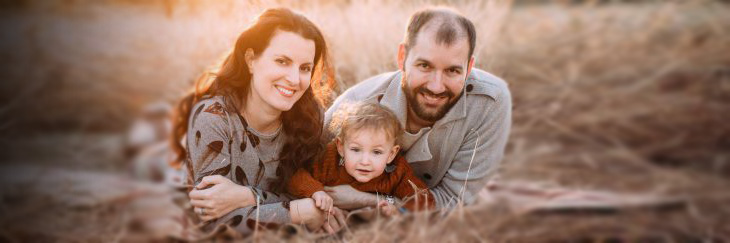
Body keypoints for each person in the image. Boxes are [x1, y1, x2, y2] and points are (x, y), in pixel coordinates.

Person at [169, 8, 346, 235]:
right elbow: (214, 220)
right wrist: (298, 212)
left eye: (305, 68)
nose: (294, 79)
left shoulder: (310, 119)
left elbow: (316, 192)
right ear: (251, 60)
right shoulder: (214, 118)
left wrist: (247, 196)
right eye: (282, 61)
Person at [323, 7, 512, 211]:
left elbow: (453, 199)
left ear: (469, 67)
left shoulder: (489, 102)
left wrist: (369, 201)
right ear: (402, 56)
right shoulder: (357, 104)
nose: (436, 86)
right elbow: (298, 168)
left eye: (452, 70)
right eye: (425, 66)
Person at [287, 102, 434, 216]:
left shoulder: (397, 172)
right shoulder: (330, 160)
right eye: (356, 150)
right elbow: (296, 177)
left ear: (391, 154)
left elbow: (424, 200)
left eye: (376, 152)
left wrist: (397, 210)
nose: (365, 161)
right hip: (330, 223)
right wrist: (315, 191)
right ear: (341, 147)